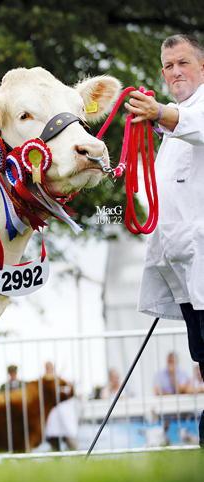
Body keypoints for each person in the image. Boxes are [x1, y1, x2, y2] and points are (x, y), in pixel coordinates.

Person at [126, 34, 204, 446]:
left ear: (202, 66)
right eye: (169, 66)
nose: (176, 72)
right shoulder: (173, 124)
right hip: (184, 264)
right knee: (202, 356)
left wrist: (159, 113)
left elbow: (192, 124)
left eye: (183, 62)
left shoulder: (192, 113)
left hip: (200, 258)